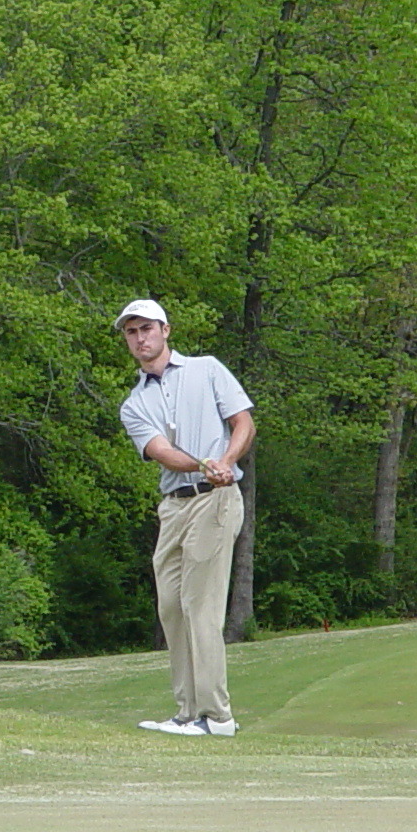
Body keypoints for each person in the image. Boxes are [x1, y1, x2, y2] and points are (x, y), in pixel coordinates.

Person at [115, 298, 255, 737]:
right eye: (132, 332)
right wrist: (201, 464)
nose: (140, 338)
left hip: (217, 498)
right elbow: (161, 452)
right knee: (172, 607)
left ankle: (217, 717)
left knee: (200, 604)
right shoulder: (133, 404)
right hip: (175, 504)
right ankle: (187, 712)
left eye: (147, 329)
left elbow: (243, 423)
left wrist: (224, 462)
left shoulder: (207, 369)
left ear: (165, 330)